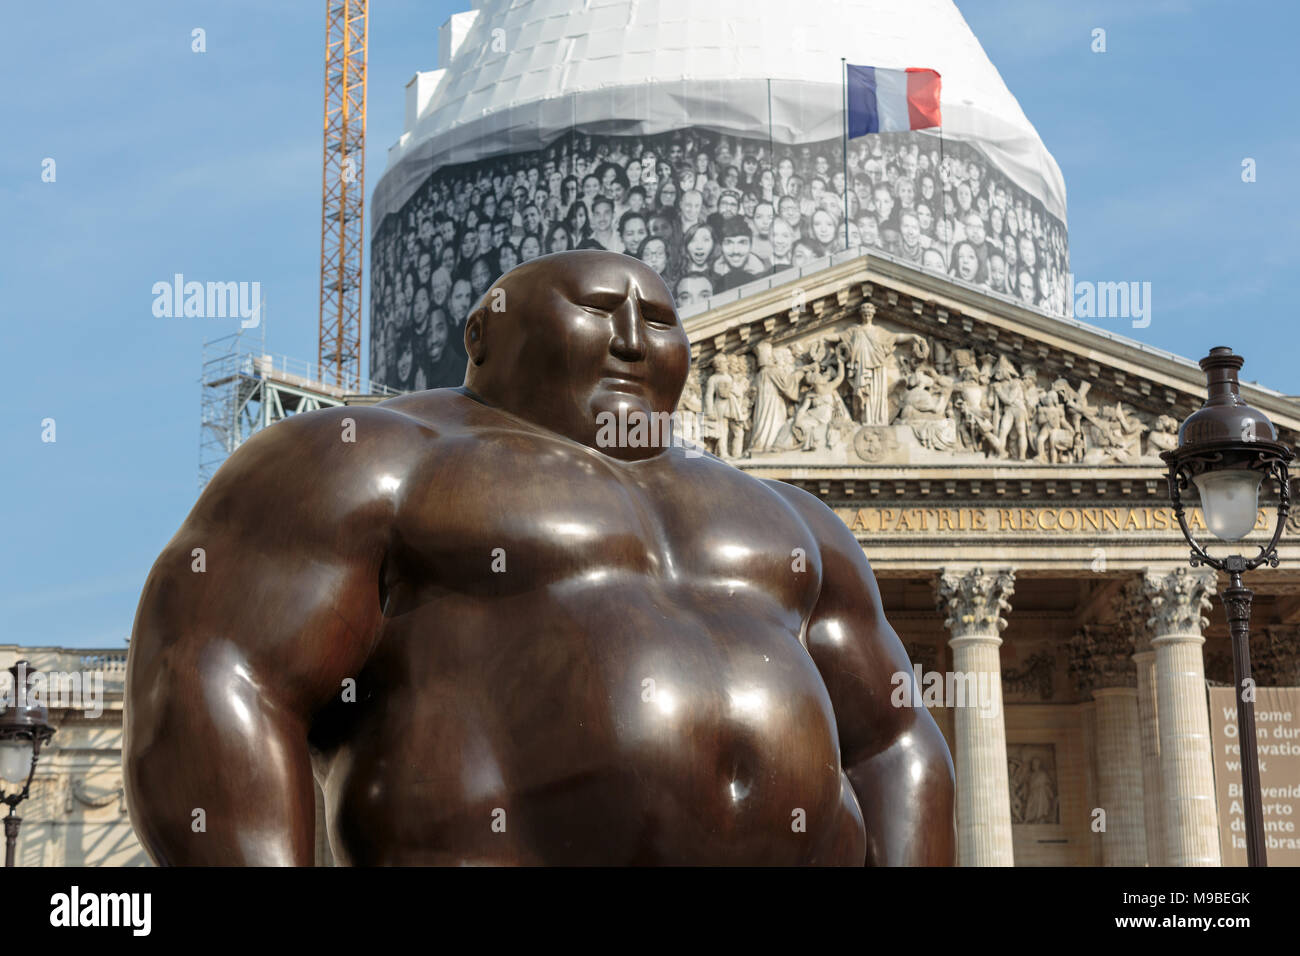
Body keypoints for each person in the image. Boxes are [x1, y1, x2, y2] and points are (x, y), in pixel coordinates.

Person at [711, 218, 766, 294]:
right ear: (721, 246)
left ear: (751, 246)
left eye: (742, 242)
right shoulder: (712, 274)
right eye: (728, 243)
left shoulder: (766, 273)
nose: (735, 251)